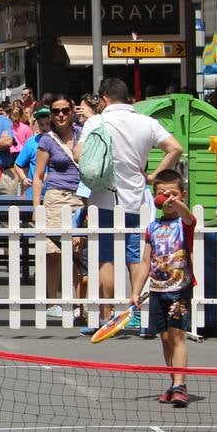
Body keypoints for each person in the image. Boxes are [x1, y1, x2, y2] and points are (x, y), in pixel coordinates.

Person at [76, 77, 183, 335]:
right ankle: (137, 315)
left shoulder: (96, 122)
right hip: (136, 198)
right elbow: (175, 148)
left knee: (106, 257)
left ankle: (107, 316)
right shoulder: (147, 122)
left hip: (103, 196)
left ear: (103, 98)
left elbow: (78, 154)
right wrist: (155, 177)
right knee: (137, 256)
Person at [129, 169, 196, 407]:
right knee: (165, 338)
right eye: (162, 194)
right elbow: (146, 261)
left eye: (174, 194)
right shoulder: (152, 228)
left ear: (182, 195)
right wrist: (136, 290)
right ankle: (174, 382)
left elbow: (189, 217)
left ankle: (180, 384)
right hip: (157, 290)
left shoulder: (184, 222)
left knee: (177, 336)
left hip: (179, 288)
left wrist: (177, 204)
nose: (167, 198)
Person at [33, 98, 84, 314]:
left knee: (78, 251)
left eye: (65, 110)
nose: (61, 114)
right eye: (56, 111)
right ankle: (51, 301)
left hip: (81, 196)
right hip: (56, 197)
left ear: (72, 111)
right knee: (53, 251)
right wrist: (37, 206)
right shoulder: (47, 140)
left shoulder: (84, 133)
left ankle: (78, 302)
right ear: (52, 115)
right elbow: (38, 176)